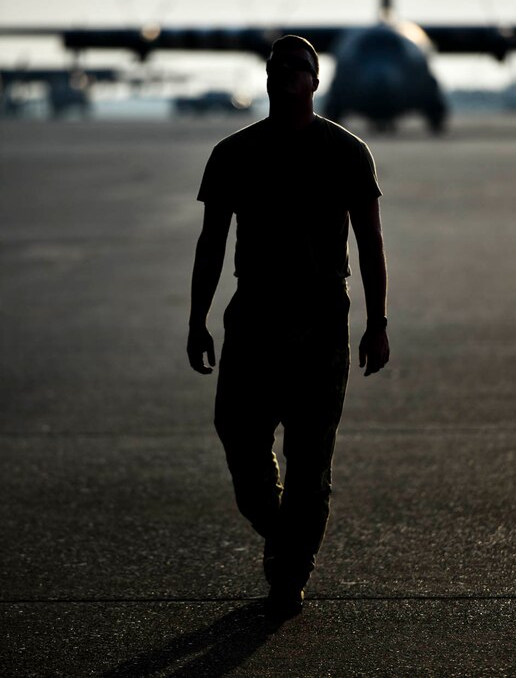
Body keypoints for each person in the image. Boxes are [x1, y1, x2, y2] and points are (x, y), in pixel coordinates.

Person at [187, 35, 389, 621]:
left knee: (309, 459)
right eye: (276, 66)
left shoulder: (347, 153)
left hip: (320, 322)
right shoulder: (234, 153)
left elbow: (370, 244)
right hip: (252, 319)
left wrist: (377, 323)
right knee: (239, 441)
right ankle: (281, 532)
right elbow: (211, 243)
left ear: (315, 80)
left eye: (298, 67)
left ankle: (290, 575)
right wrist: (197, 320)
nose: (285, 74)